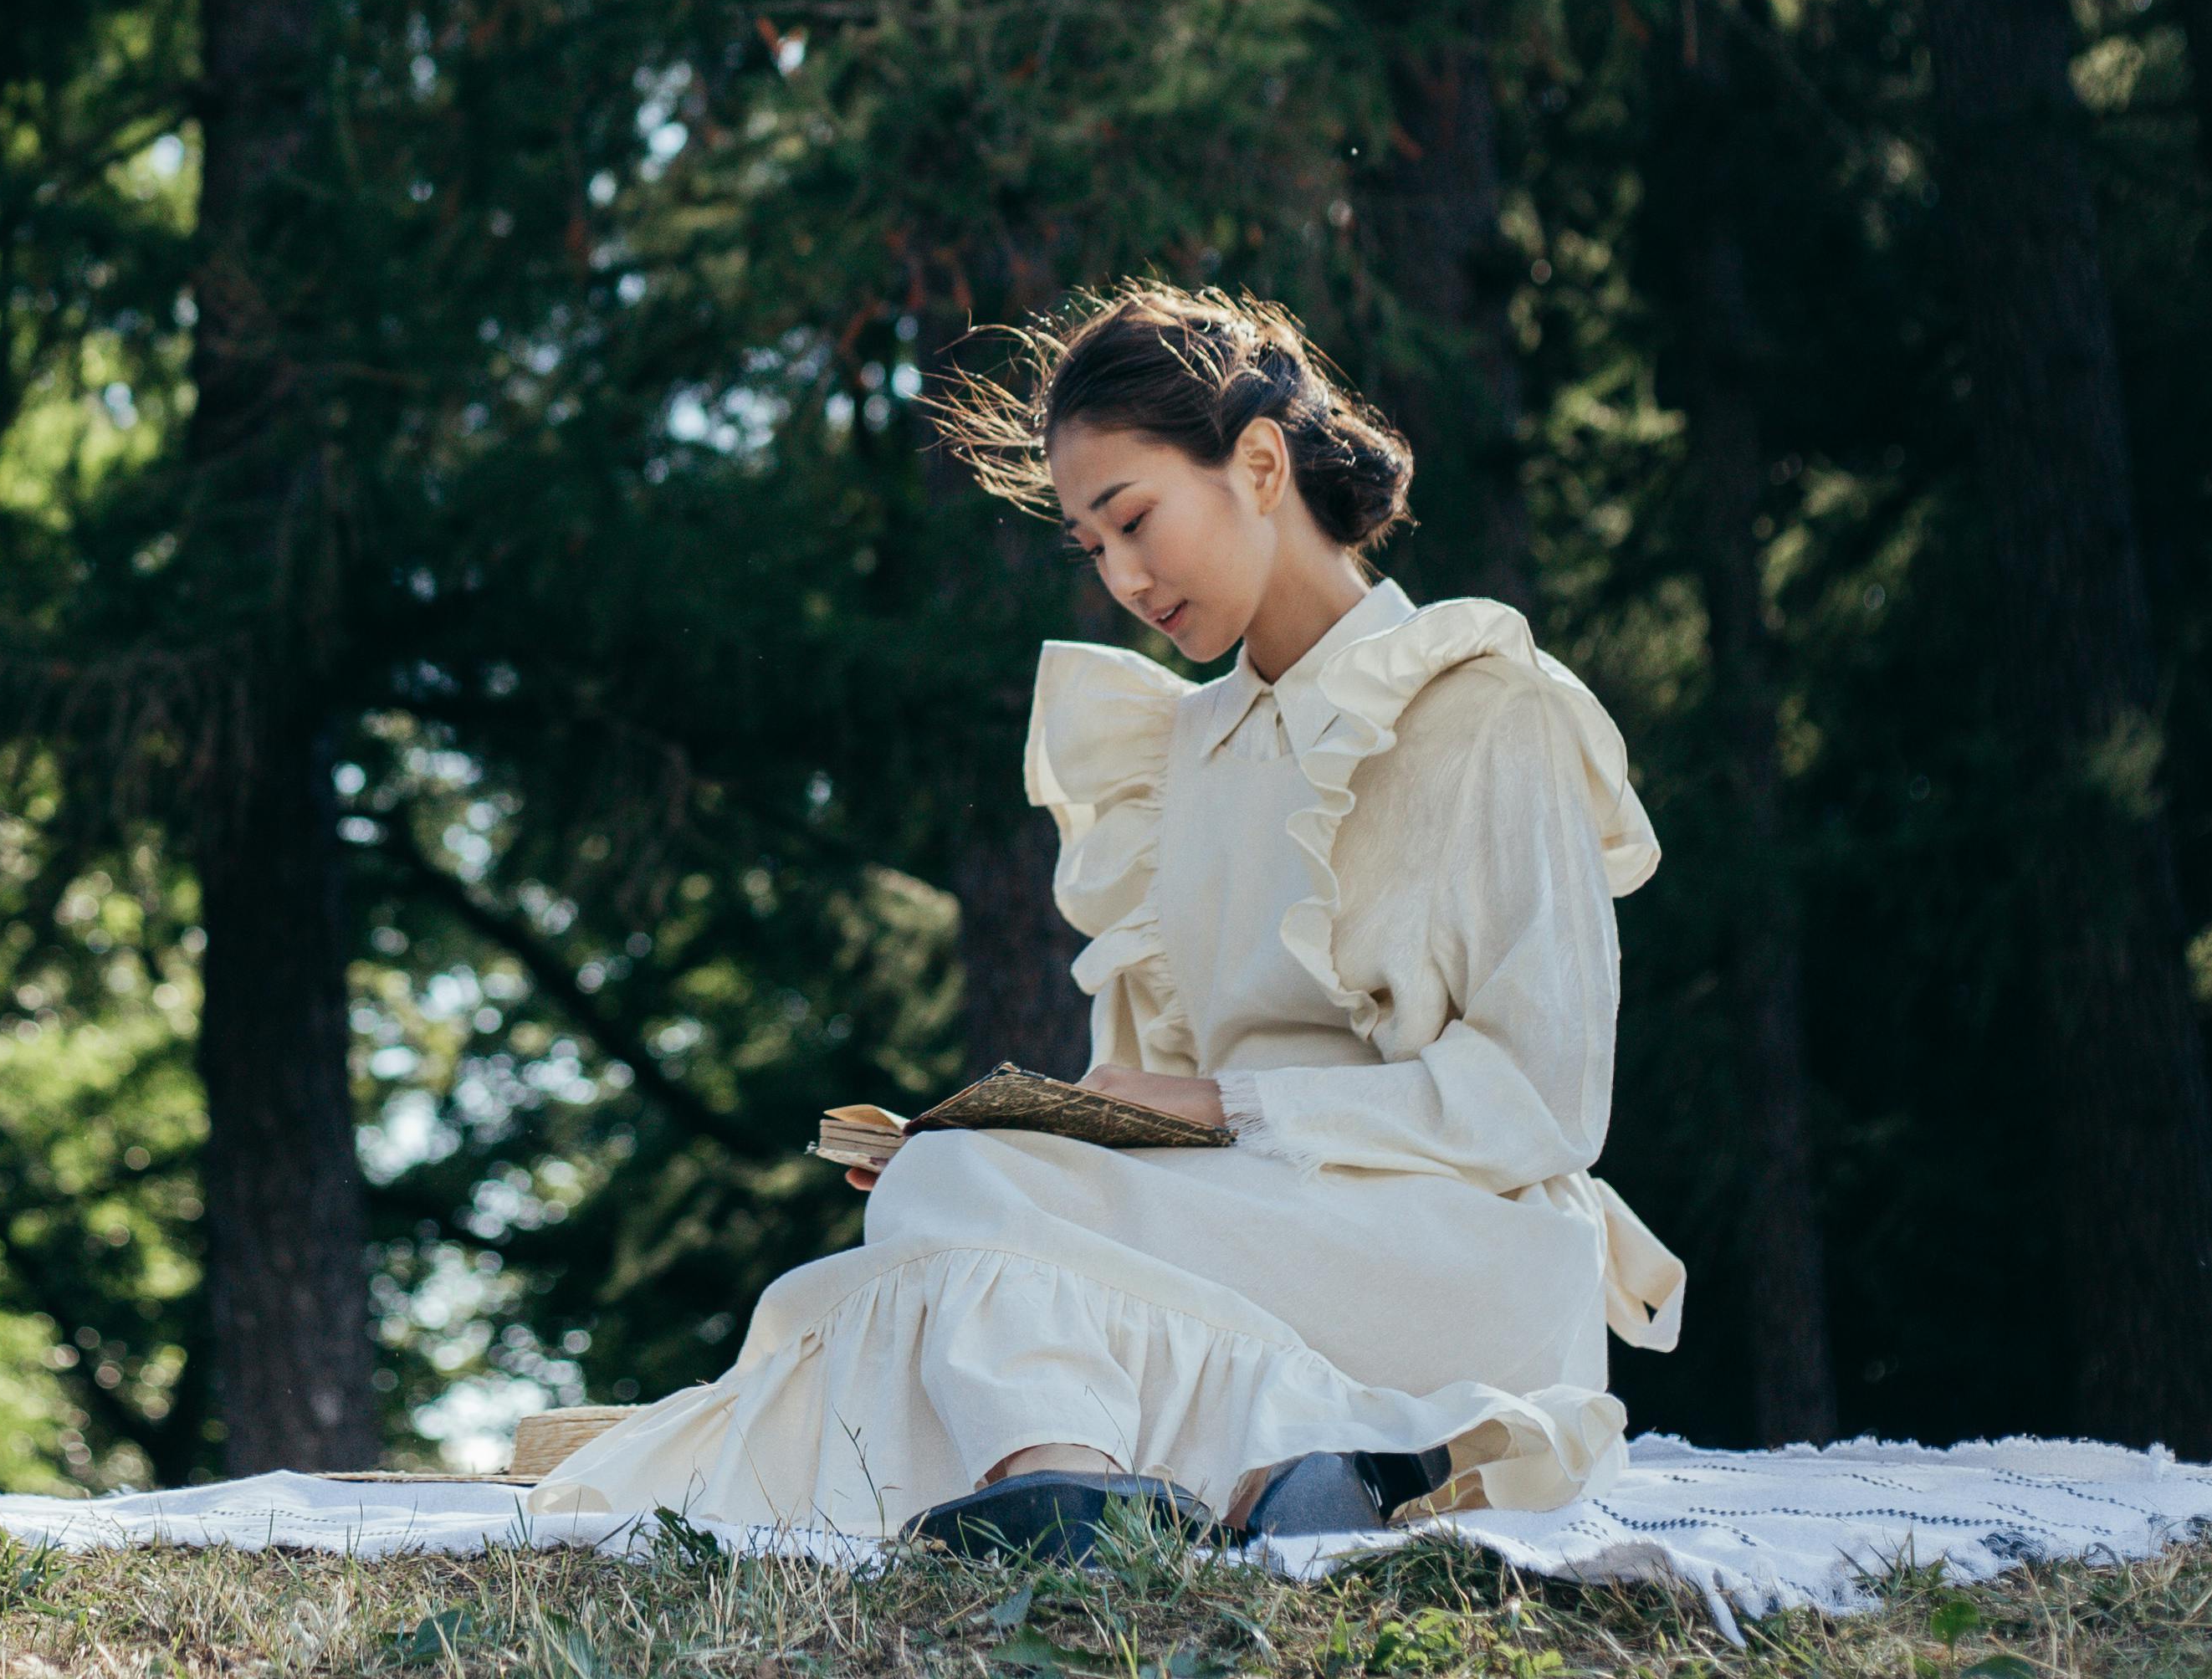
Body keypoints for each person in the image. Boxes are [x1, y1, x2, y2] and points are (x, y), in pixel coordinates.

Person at [528, 284, 1683, 1553]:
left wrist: (1218, 1108)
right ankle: (1227, 1478)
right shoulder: (1178, 756)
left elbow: (1547, 1101)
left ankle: (1084, 1474)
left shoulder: (1483, 706)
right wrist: (1045, 1134)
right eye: (1091, 549)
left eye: (1135, 521)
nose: (1126, 580)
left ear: (1257, 462)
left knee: (955, 1217)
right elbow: (1167, 1145)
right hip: (1256, 1237)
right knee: (933, 1198)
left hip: (1456, 1254)